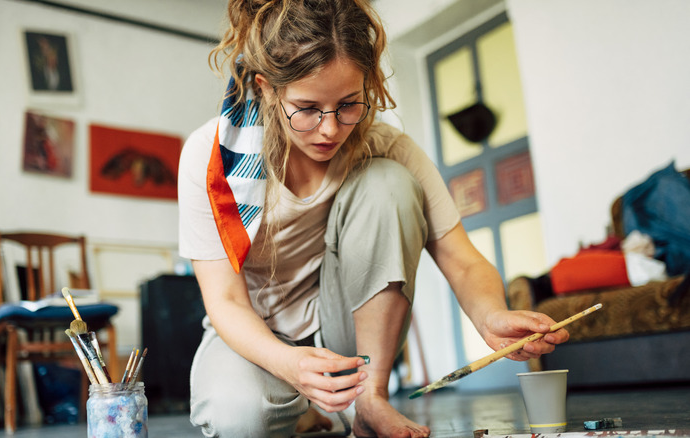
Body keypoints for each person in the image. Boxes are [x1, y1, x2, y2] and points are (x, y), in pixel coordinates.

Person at [177, 1, 569, 437]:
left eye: (348, 104)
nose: (329, 129)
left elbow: (461, 258)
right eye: (306, 108)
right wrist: (289, 365)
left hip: (346, 331)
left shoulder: (384, 145)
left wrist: (491, 315)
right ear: (267, 88)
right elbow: (226, 302)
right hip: (255, 331)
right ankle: (303, 407)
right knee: (239, 421)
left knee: (390, 183)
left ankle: (370, 400)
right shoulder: (210, 156)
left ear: (369, 85)